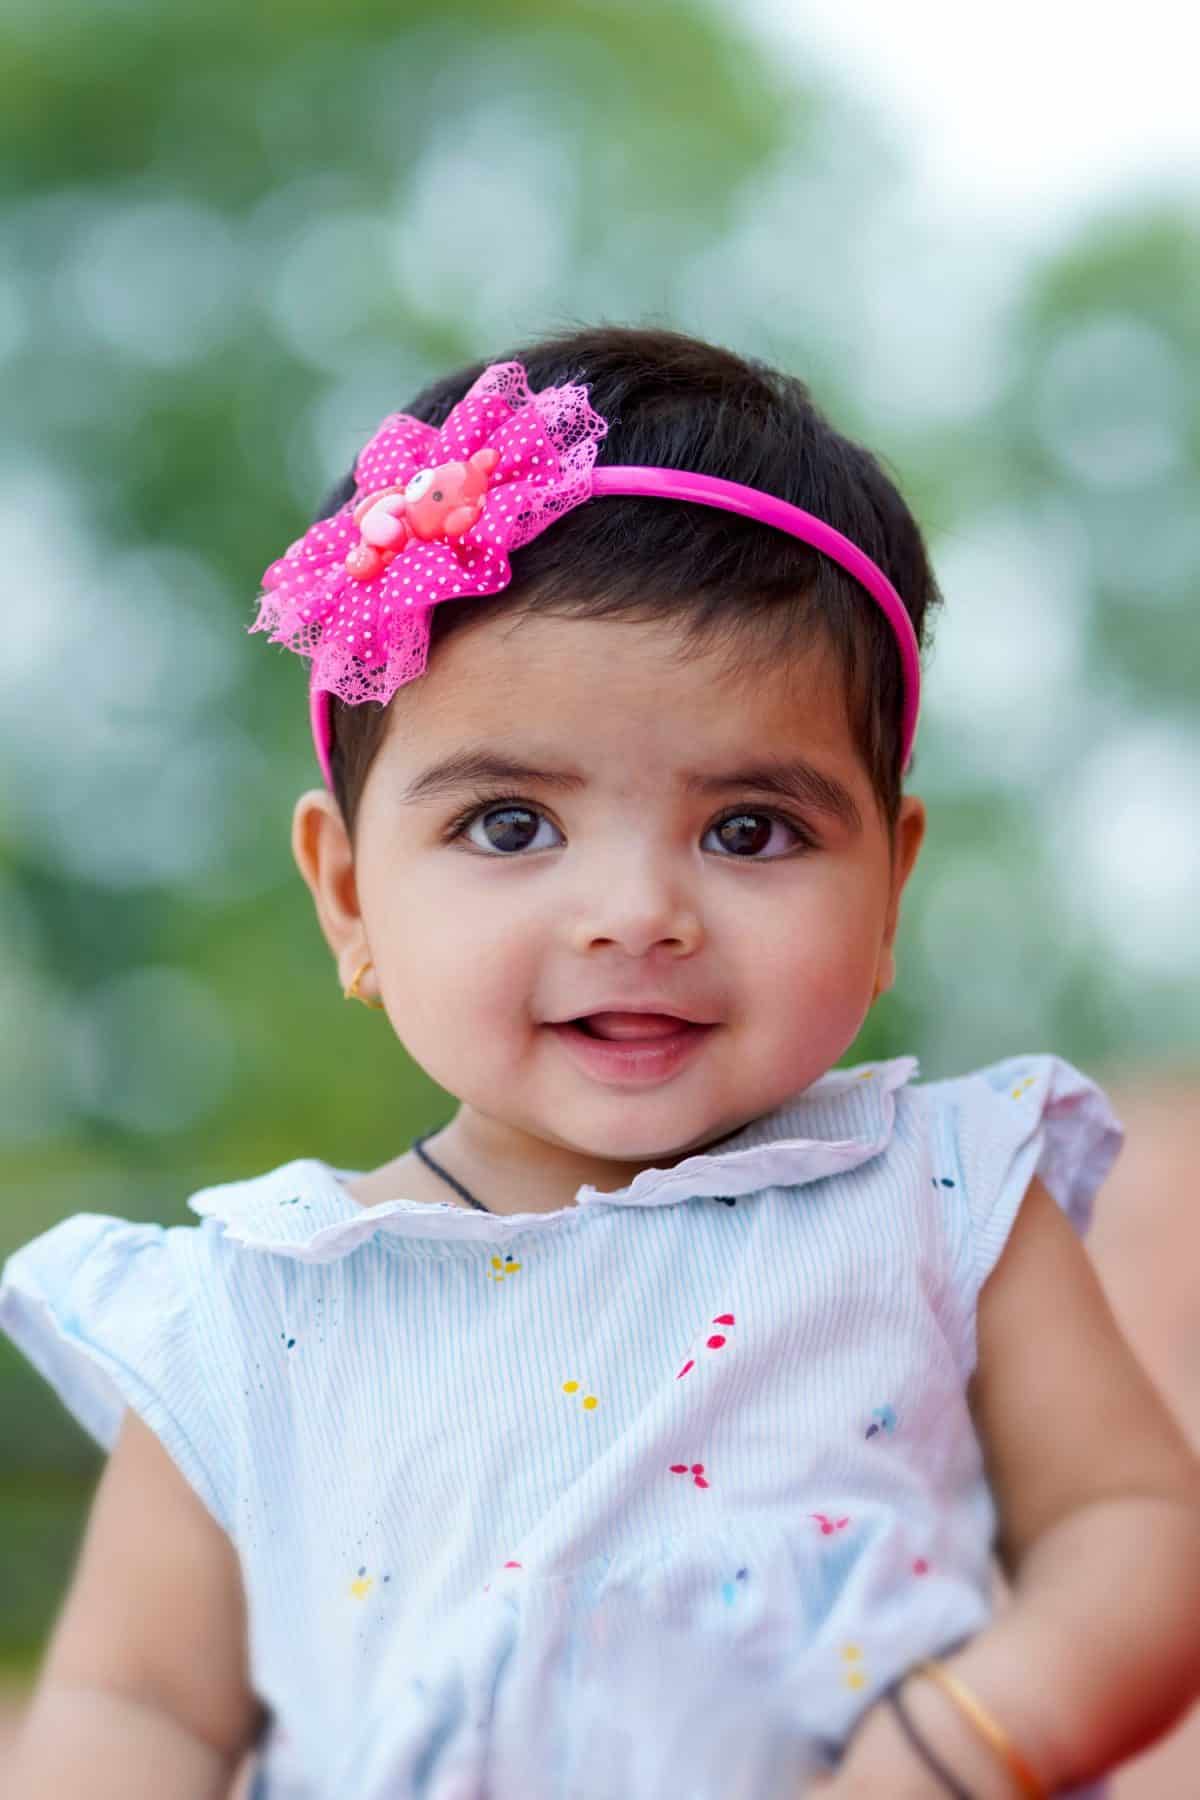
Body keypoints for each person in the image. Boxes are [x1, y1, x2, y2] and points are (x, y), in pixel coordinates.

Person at [2, 326, 1198, 1800]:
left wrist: (947, 1747)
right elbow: (135, 1710)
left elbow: (1134, 1530)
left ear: (888, 887)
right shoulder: (256, 1306)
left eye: (750, 828)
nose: (638, 914)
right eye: (511, 825)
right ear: (351, 895)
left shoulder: (943, 1198)